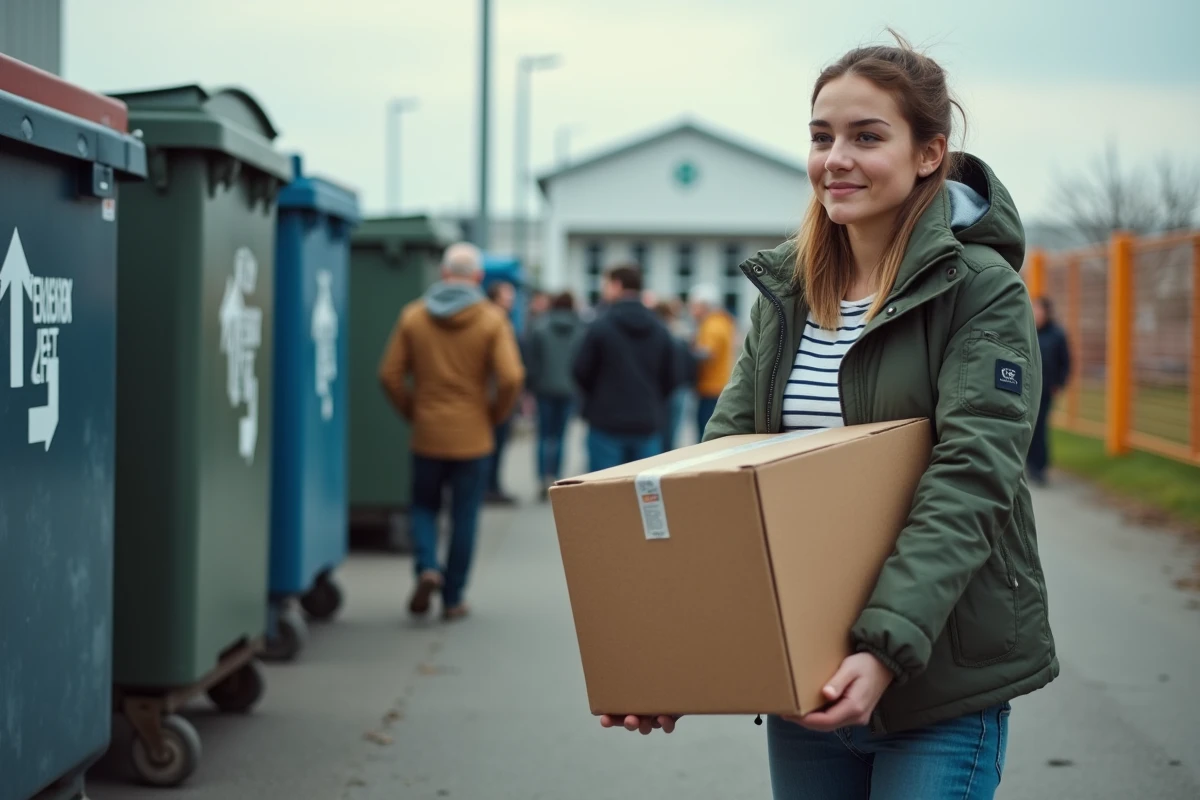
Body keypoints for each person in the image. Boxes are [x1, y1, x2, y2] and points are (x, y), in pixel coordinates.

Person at [600, 36, 1057, 800]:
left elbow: (970, 480)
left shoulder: (982, 292)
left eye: (866, 136)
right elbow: (722, 477)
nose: (835, 158)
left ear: (928, 154)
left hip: (935, 680)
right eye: (822, 137)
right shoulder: (787, 292)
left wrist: (882, 651)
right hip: (805, 674)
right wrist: (673, 659)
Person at [378, 243, 524, 621]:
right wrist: (494, 414)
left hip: (427, 431)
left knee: (424, 506)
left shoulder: (413, 316)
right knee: (465, 515)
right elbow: (511, 377)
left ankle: (427, 566)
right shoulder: (492, 320)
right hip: (473, 435)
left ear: (444, 275)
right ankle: (454, 596)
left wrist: (414, 410)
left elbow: (389, 375)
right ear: (477, 278)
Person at [572, 264, 680, 471]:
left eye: (606, 285)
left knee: (605, 493)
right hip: (647, 422)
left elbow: (581, 371)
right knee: (643, 496)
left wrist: (597, 397)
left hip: (606, 422)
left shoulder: (600, 326)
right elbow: (672, 376)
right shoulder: (660, 329)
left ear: (617, 285)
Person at [526, 291, 585, 498]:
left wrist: (531, 387)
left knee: (543, 435)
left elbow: (532, 360)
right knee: (560, 436)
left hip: (544, 388)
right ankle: (557, 478)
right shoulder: (581, 329)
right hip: (569, 389)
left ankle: (543, 477)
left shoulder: (540, 327)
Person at [1028, 295, 1071, 486]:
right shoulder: (1026, 330)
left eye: (1039, 310)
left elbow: (1066, 362)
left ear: (1046, 312)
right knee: (1027, 427)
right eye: (1033, 310)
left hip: (1045, 390)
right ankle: (1028, 466)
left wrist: (1059, 384)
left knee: (1040, 427)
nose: (1036, 314)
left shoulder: (1057, 334)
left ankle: (1039, 468)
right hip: (1026, 389)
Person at [484, 280, 519, 505]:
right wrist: (504, 407)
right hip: (494, 400)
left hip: (495, 398)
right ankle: (490, 488)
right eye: (507, 298)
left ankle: (492, 486)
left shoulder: (500, 321)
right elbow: (510, 376)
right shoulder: (496, 324)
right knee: (493, 448)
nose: (511, 303)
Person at [688, 283, 737, 439]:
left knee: (705, 435)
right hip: (718, 386)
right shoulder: (724, 321)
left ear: (704, 305)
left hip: (710, 388)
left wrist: (685, 353)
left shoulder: (712, 325)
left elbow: (708, 354)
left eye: (694, 306)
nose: (692, 311)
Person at [654, 301, 697, 452]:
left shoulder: (660, 333)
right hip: (679, 387)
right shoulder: (680, 332)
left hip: (668, 389)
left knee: (663, 433)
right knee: (670, 433)